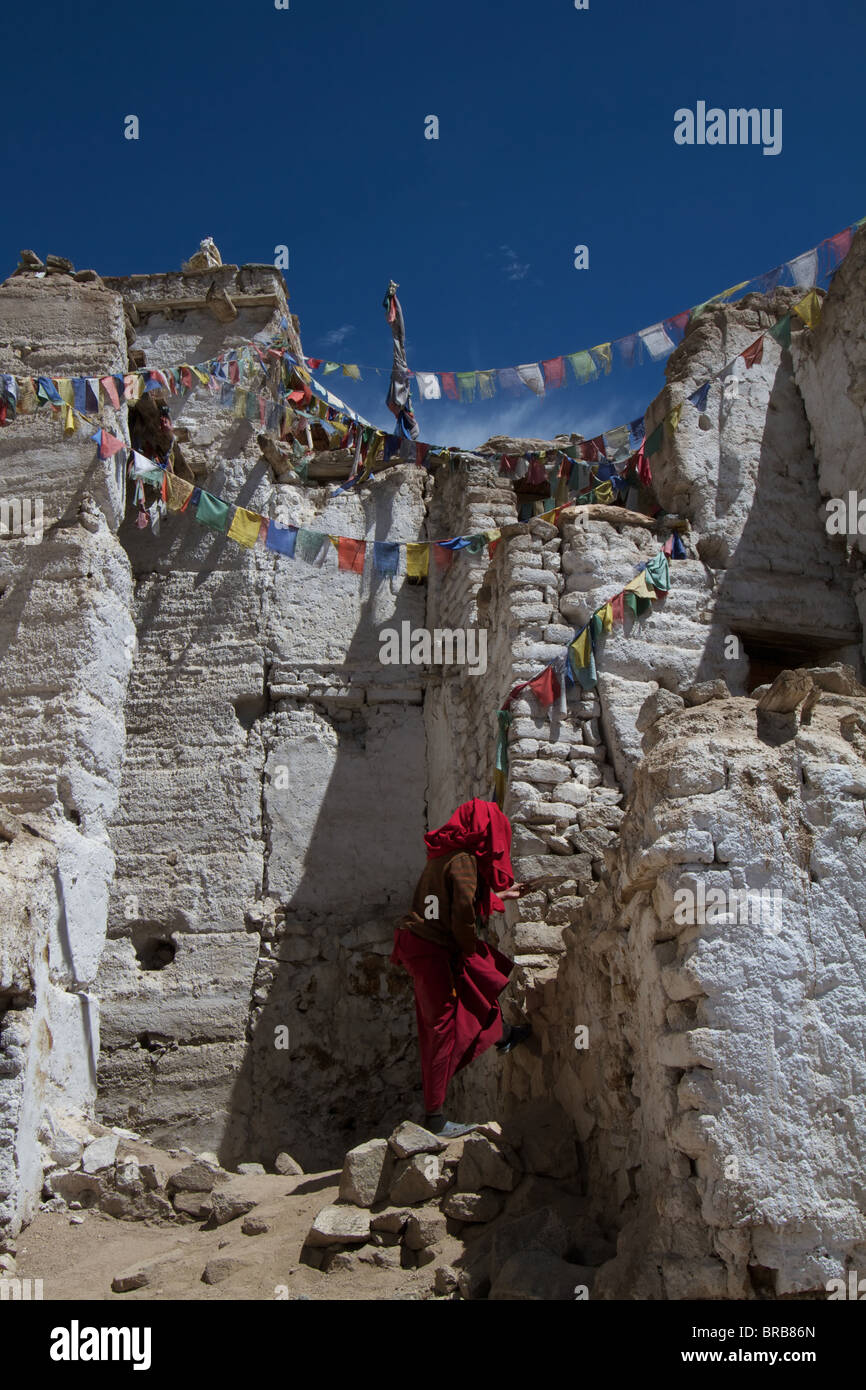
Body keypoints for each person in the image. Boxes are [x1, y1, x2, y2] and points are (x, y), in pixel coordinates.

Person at [390, 798, 531, 1139]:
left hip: (421, 946)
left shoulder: (444, 854)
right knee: (441, 1027)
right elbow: (463, 910)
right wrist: (468, 950)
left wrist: (499, 897)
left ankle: (504, 1035)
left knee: (468, 991)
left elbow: (454, 896)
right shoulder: (465, 859)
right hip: (432, 950)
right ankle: (435, 1118)